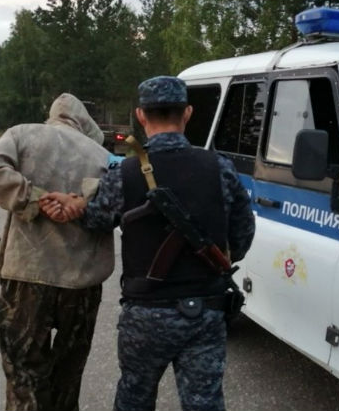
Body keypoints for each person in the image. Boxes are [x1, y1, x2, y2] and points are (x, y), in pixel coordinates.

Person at [41, 76, 255, 411]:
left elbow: (97, 220)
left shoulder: (125, 173)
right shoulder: (220, 168)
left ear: (141, 116)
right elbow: (242, 233)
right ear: (187, 113)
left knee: (135, 399)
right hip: (205, 311)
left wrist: (72, 207)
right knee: (205, 403)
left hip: (145, 315)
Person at [0, 93, 115, 411]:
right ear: (84, 122)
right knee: (69, 373)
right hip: (82, 285)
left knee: (24, 373)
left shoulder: (21, 135)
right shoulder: (102, 156)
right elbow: (113, 204)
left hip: (26, 278)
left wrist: (34, 198)